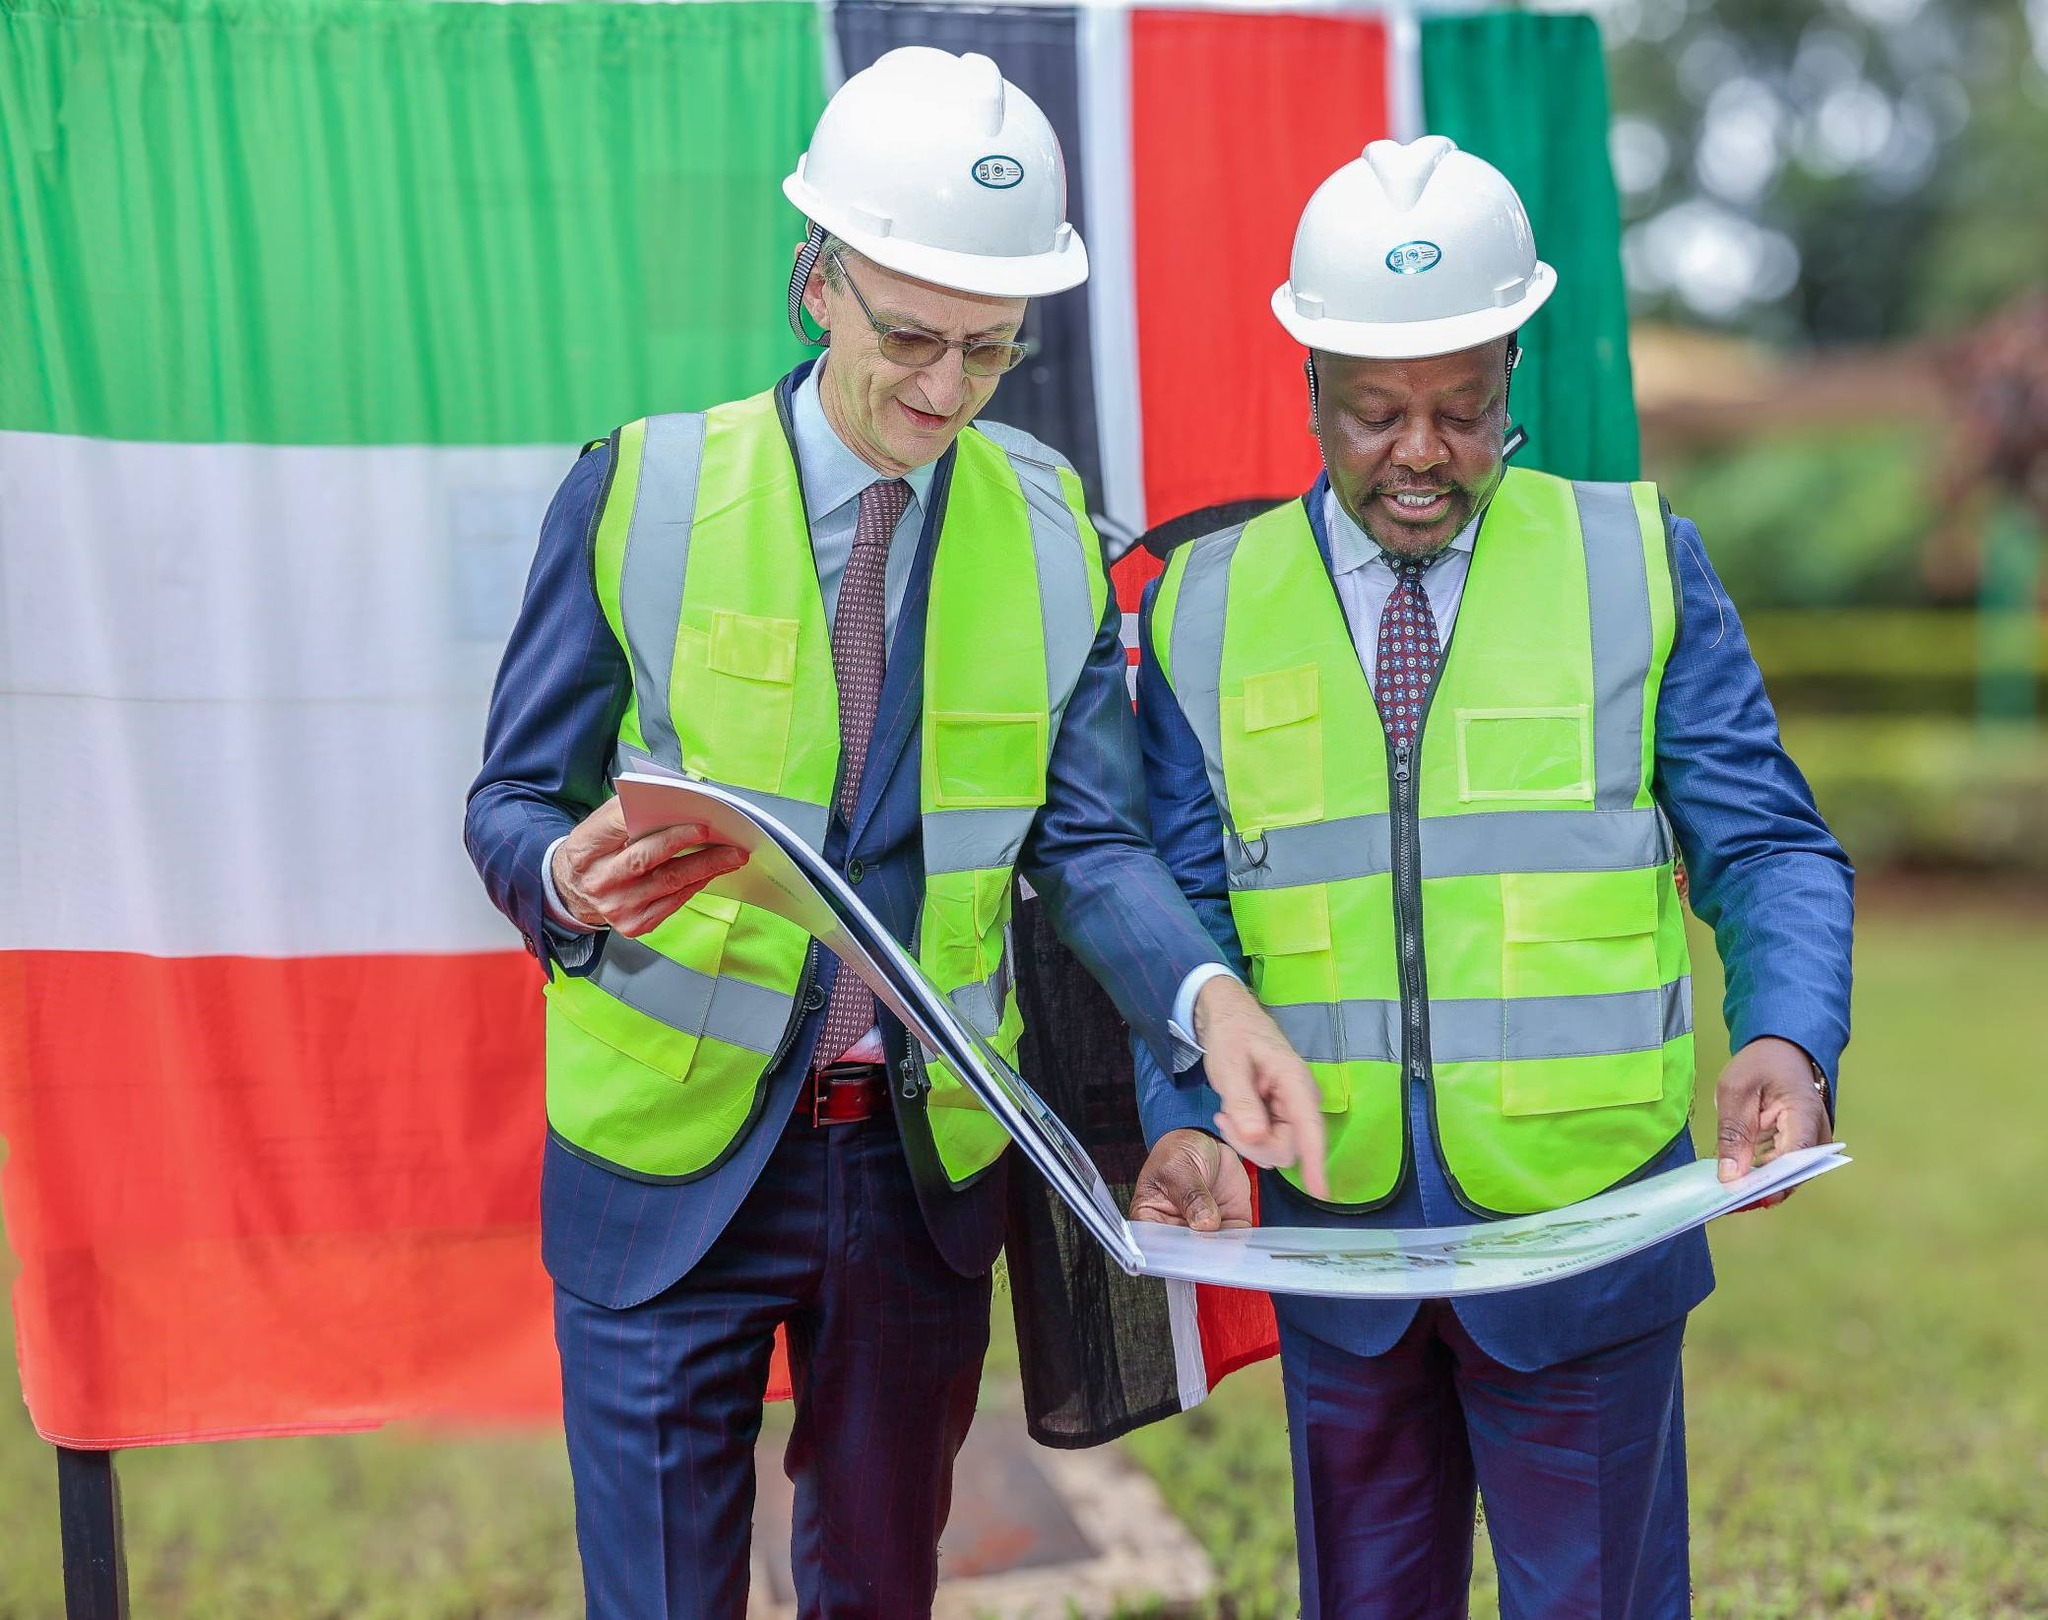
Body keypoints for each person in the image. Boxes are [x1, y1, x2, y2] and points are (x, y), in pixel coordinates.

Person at [464, 46, 1324, 1620]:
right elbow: (511, 799)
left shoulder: (1052, 526)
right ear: (816, 285)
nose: (942, 390)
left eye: (988, 353)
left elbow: (1095, 847)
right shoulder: (638, 487)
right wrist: (560, 876)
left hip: (920, 1171)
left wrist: (1210, 1007)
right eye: (910, 336)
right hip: (666, 1164)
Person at [1127, 135, 1854, 1619]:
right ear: (1311, 382)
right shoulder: (1203, 608)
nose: (1419, 452)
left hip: (1584, 1240)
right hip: (1339, 1247)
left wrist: (1786, 1032)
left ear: (1514, 372)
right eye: (1377, 412)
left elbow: (1767, 842)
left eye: (1464, 413)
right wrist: (1189, 1114)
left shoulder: (1637, 561)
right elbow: (1179, 910)